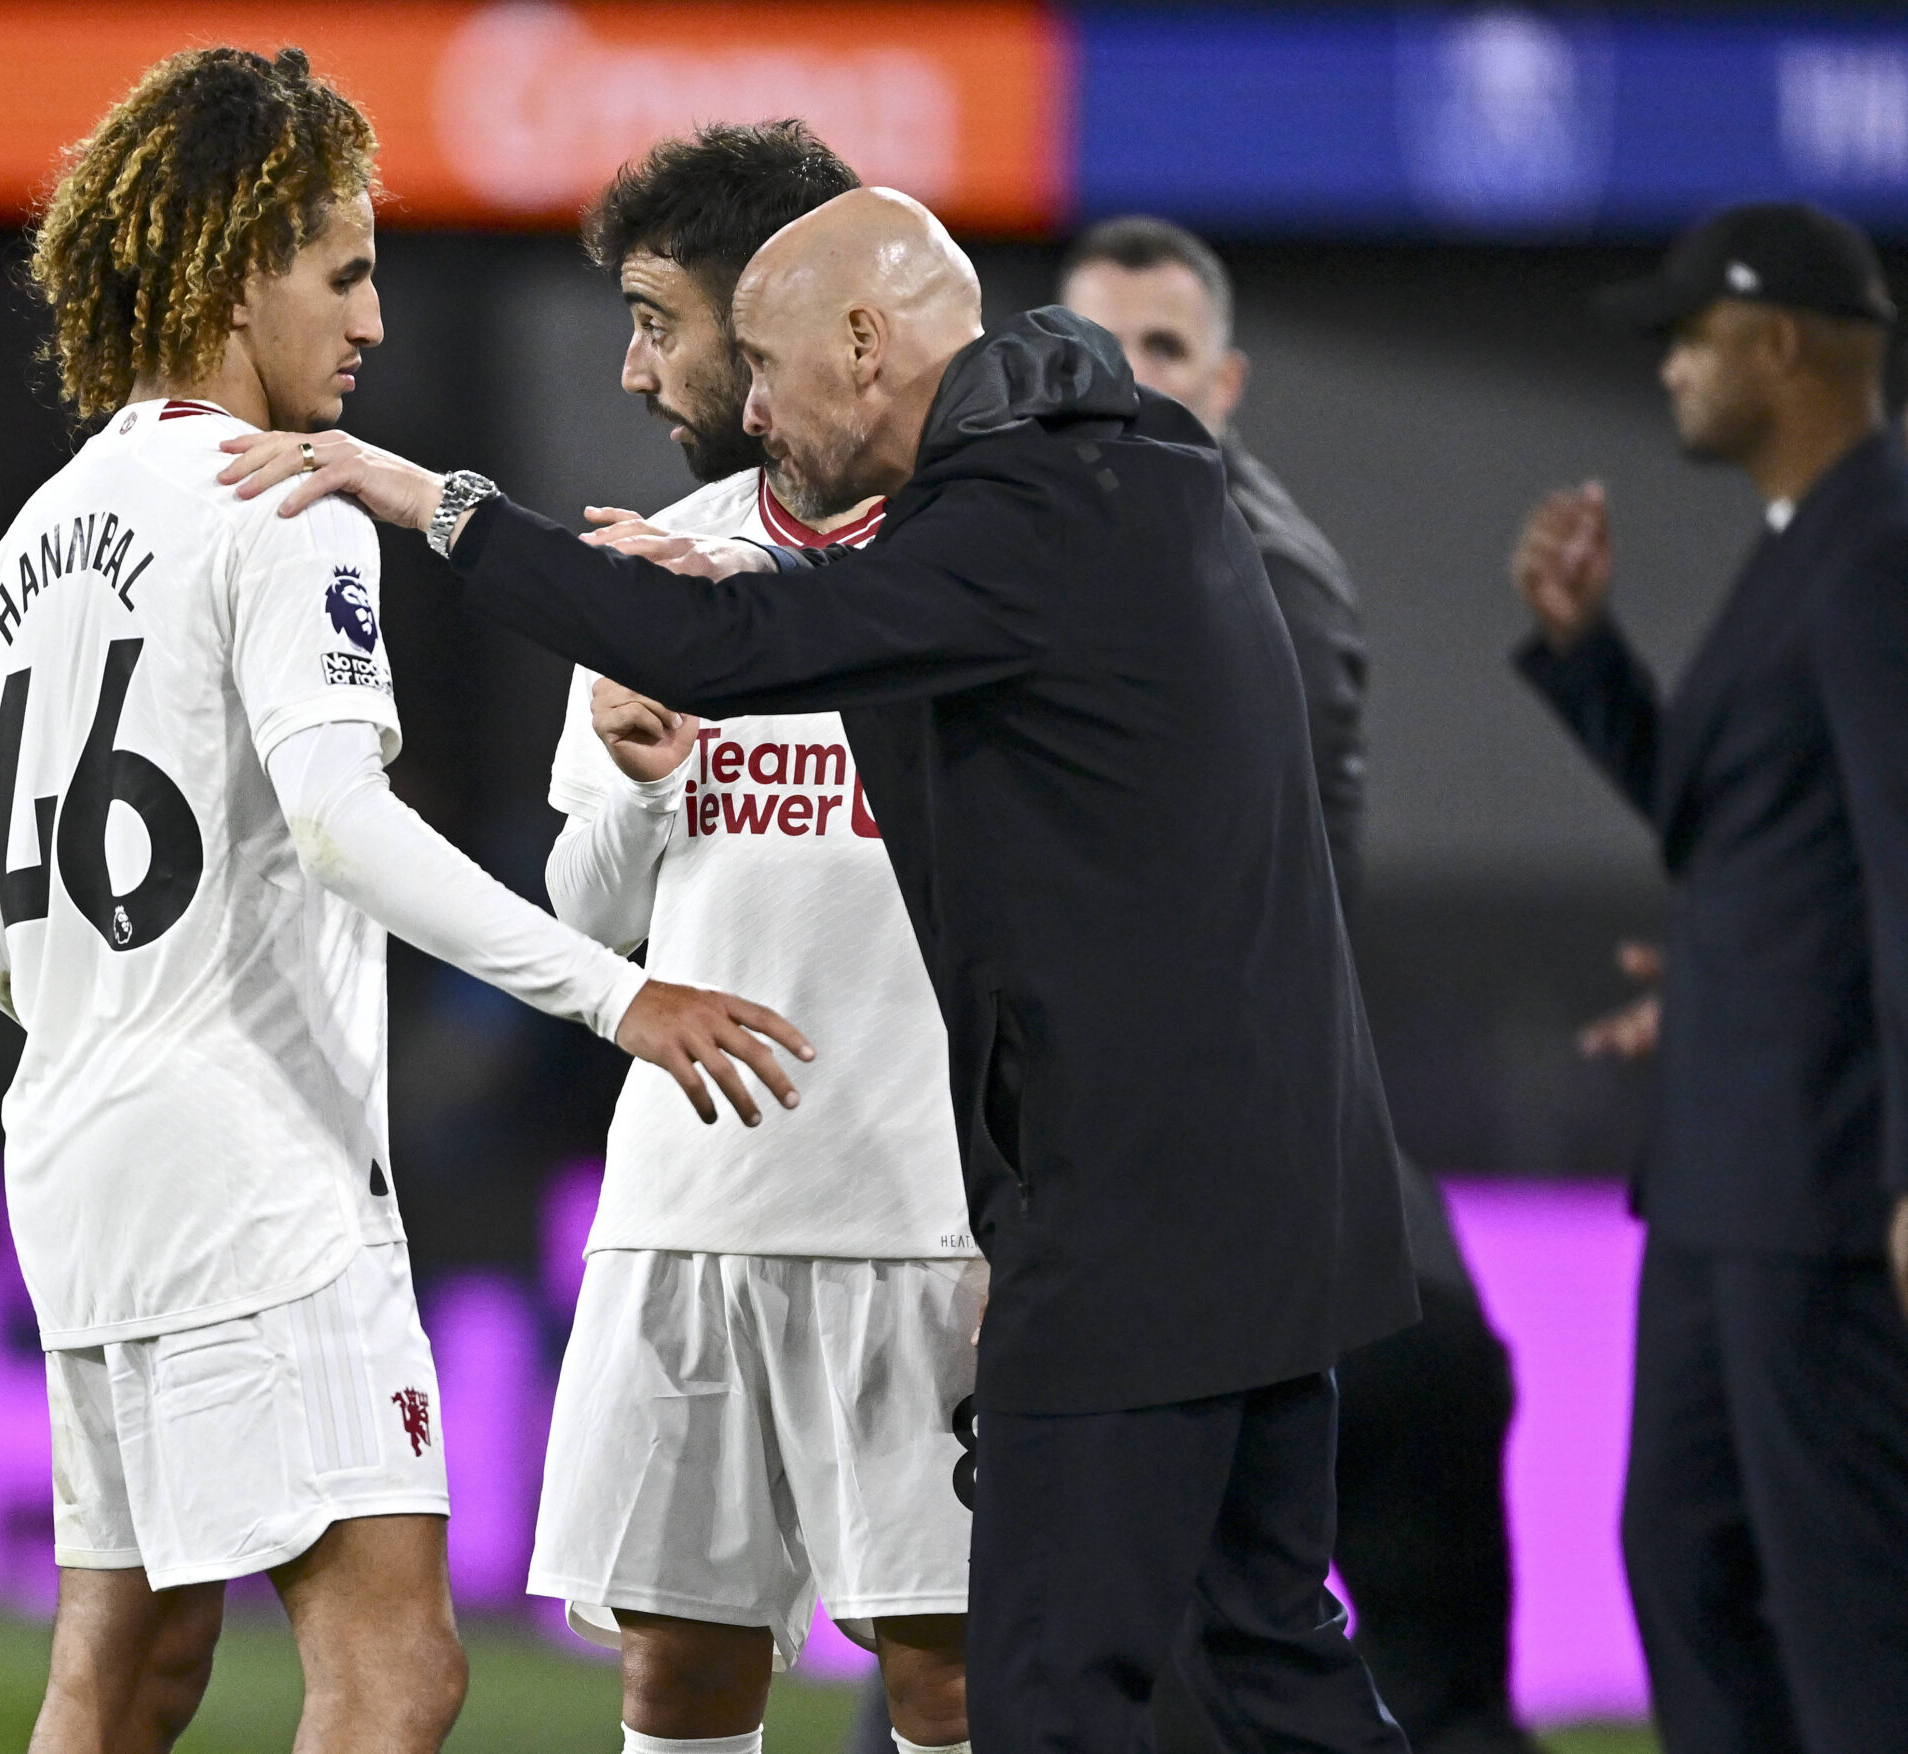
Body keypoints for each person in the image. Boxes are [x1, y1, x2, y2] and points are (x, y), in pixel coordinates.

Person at [221, 186, 1418, 1754]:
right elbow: (891, 637)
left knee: (1047, 1697)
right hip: (1269, 1210)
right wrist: (743, 601)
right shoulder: (1129, 474)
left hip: (1130, 1229)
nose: (755, 413)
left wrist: (434, 504)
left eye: (768, 367)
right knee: (1275, 1662)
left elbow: (760, 654)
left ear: (870, 340)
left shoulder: (1015, 520)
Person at [0, 48, 809, 1754]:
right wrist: (609, 988)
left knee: (122, 1670)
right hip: (253, 1177)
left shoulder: (27, 545)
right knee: (394, 1672)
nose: (375, 324)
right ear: (228, 268)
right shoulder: (290, 504)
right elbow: (344, 823)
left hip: (71, 1146)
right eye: (343, 271)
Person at [1061, 218, 1540, 1754]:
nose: (1126, 386)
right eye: (1093, 354)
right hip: (1348, 1227)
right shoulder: (1143, 548)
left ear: (1232, 378)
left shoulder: (1243, 575)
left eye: (1165, 353)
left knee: (1098, 1661)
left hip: (1266, 1234)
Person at [537, 125, 977, 1754]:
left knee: (946, 1667)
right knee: (678, 1670)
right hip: (689, 1208)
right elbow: (586, 927)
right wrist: (644, 780)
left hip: (923, 1211)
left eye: (662, 319)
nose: (638, 366)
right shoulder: (654, 567)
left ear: (774, 313)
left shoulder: (974, 557)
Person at [1508, 201, 1908, 1754]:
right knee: (1686, 1562)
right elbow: (1745, 824)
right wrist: (1591, 656)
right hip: (1724, 1169)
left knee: (1841, 1599)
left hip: (1811, 1184)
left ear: (1781, 344)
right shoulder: (1811, 544)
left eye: (1690, 333)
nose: (1668, 363)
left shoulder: (1876, 549)